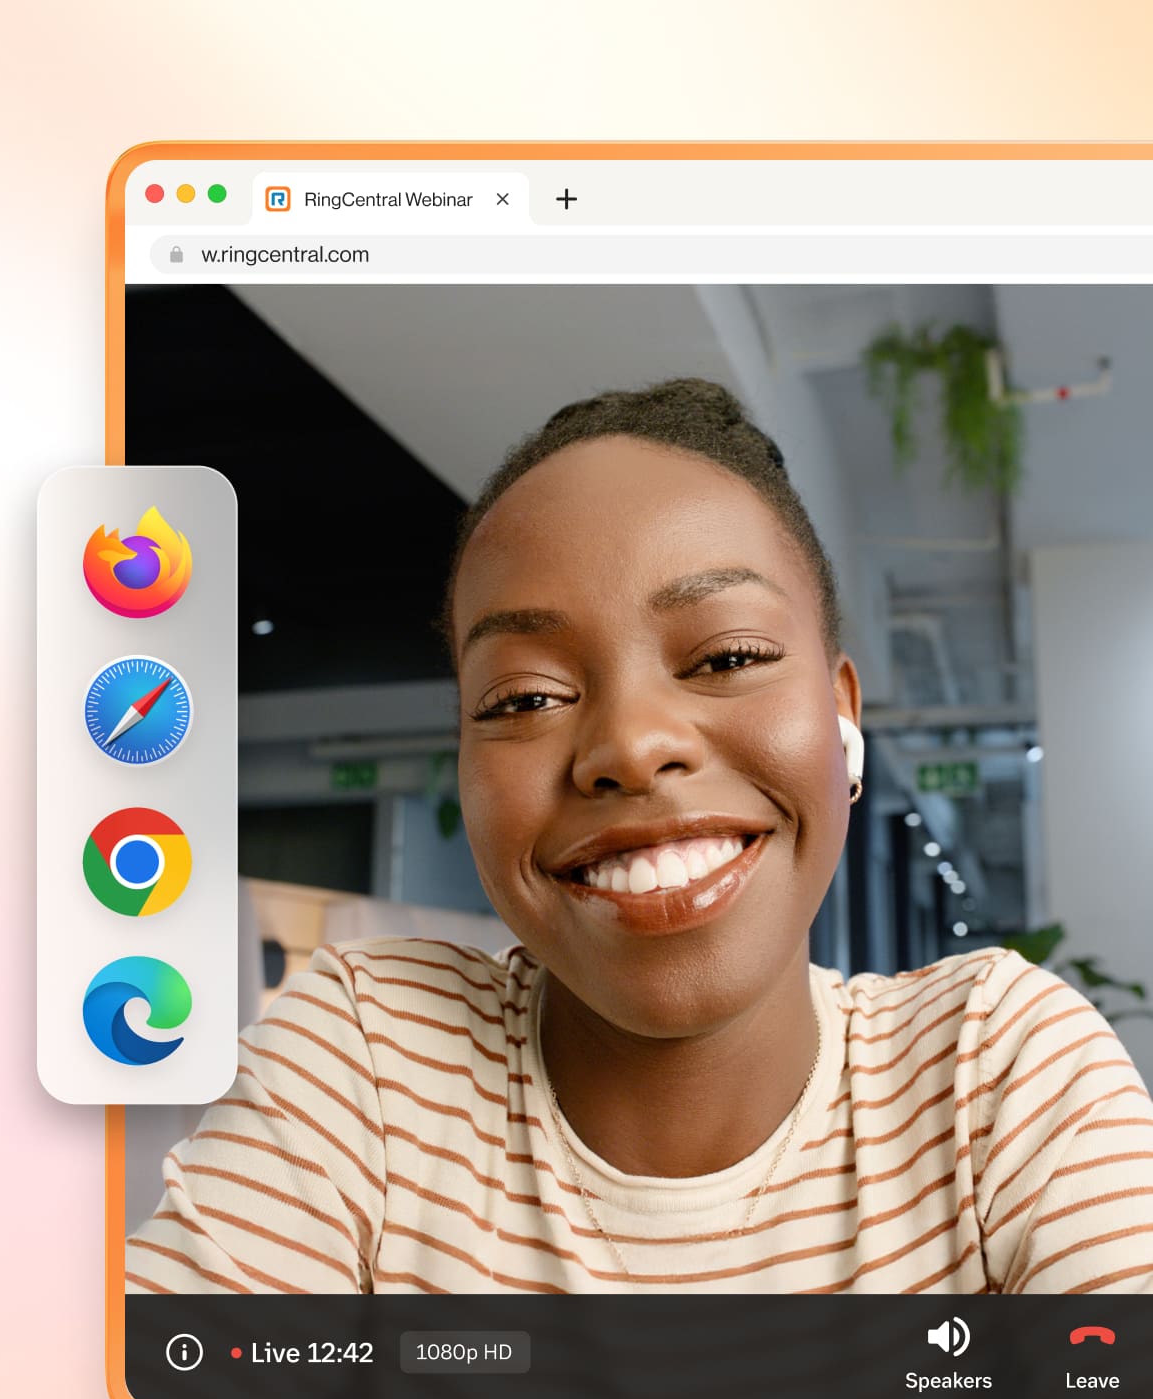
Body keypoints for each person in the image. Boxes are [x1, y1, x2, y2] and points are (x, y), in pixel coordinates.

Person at [126, 377, 1153, 1295]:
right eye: (525, 697)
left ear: (842, 718)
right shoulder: (371, 1059)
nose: (626, 744)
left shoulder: (992, 1069)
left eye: (724, 656)